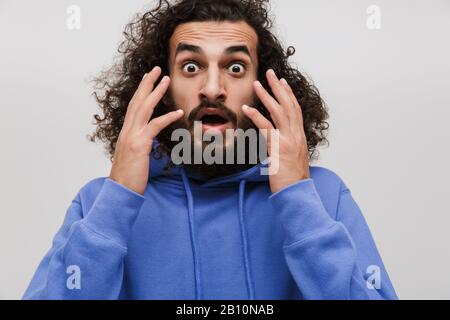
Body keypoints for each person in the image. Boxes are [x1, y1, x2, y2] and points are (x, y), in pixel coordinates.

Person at [23, 0, 398, 299]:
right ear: (162, 91)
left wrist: (297, 198)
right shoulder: (99, 202)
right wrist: (117, 197)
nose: (213, 88)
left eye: (236, 67)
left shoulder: (323, 195)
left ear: (263, 88)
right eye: (191, 67)